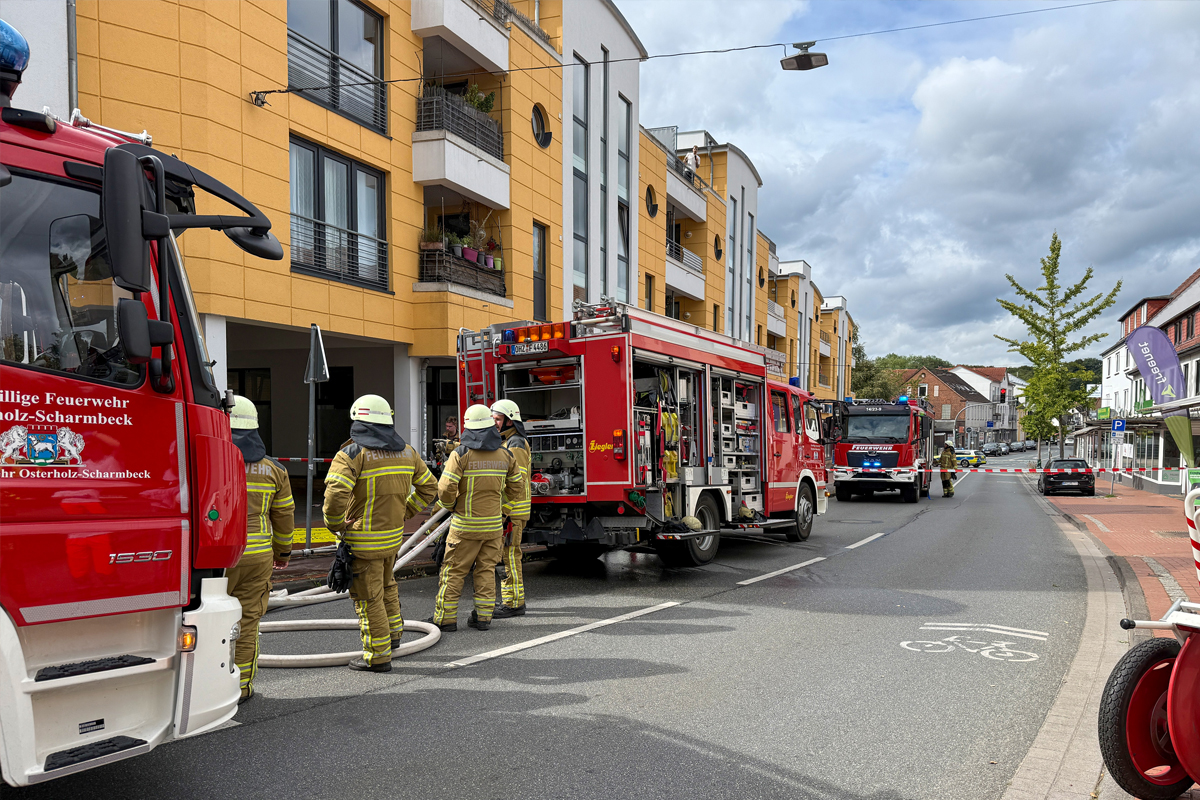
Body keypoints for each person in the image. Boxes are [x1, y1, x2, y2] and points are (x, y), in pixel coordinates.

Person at [324, 394, 438, 672]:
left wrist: (337, 524)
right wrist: (405, 512)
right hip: (391, 540)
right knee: (387, 586)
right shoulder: (408, 452)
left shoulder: (352, 454)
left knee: (368, 598)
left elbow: (335, 496)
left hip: (362, 542)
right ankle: (394, 636)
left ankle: (377, 656)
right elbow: (430, 488)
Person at [429, 404, 522, 632]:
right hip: (492, 527)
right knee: (486, 571)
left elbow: (445, 488)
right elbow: (517, 486)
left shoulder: (460, 454)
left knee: (453, 571)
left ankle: (446, 620)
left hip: (464, 527)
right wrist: (503, 510)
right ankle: (483, 618)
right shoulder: (505, 454)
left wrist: (451, 507)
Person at [226, 395, 294, 704]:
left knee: (208, 621)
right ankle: (241, 687)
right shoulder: (274, 470)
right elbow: (284, 517)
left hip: (217, 559)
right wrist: (283, 553)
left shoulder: (208, 460)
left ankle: (210, 687)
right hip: (258, 557)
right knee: (248, 621)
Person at [490, 399, 530, 619]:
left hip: (512, 511)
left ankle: (514, 603)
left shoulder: (515, 443)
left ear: (509, 420)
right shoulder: (507, 441)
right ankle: (512, 598)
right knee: (507, 555)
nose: (494, 423)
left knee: (510, 556)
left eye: (497, 419)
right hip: (510, 510)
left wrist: (504, 511)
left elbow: (517, 480)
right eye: (493, 418)